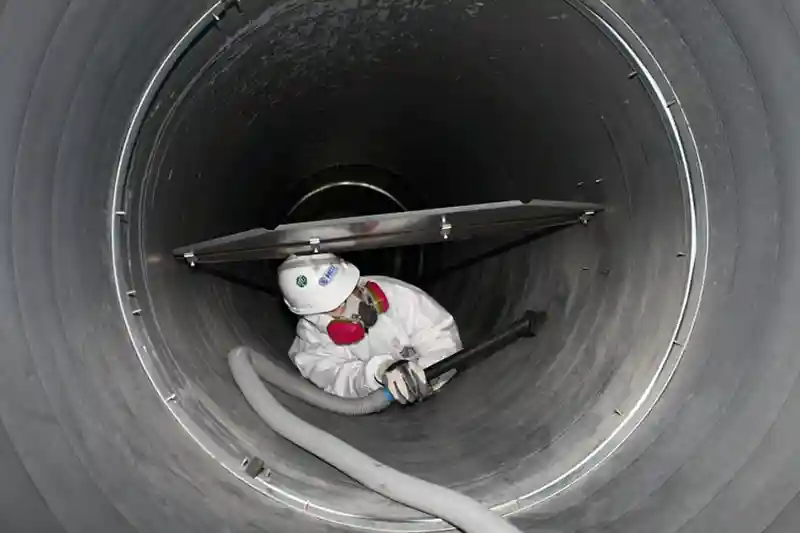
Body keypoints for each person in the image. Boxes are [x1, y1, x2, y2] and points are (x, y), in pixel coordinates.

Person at [278, 253, 462, 404]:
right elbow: (337, 380)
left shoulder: (397, 295)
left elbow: (441, 337)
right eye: (338, 305)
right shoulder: (312, 345)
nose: (355, 303)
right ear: (315, 318)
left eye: (352, 290)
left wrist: (428, 374)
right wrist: (378, 372)